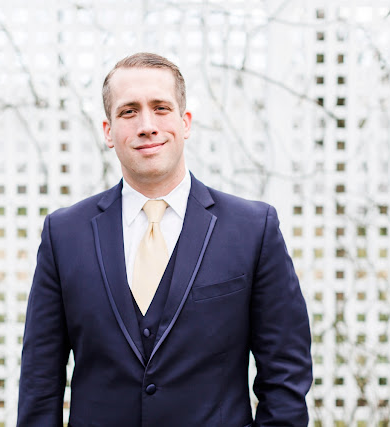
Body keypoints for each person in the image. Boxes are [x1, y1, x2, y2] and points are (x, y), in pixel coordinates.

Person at [17, 52, 312, 427]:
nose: (146, 125)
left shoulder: (253, 229)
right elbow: (40, 381)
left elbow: (285, 373)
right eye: (128, 112)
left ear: (185, 122)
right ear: (108, 131)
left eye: (160, 108)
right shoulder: (65, 234)